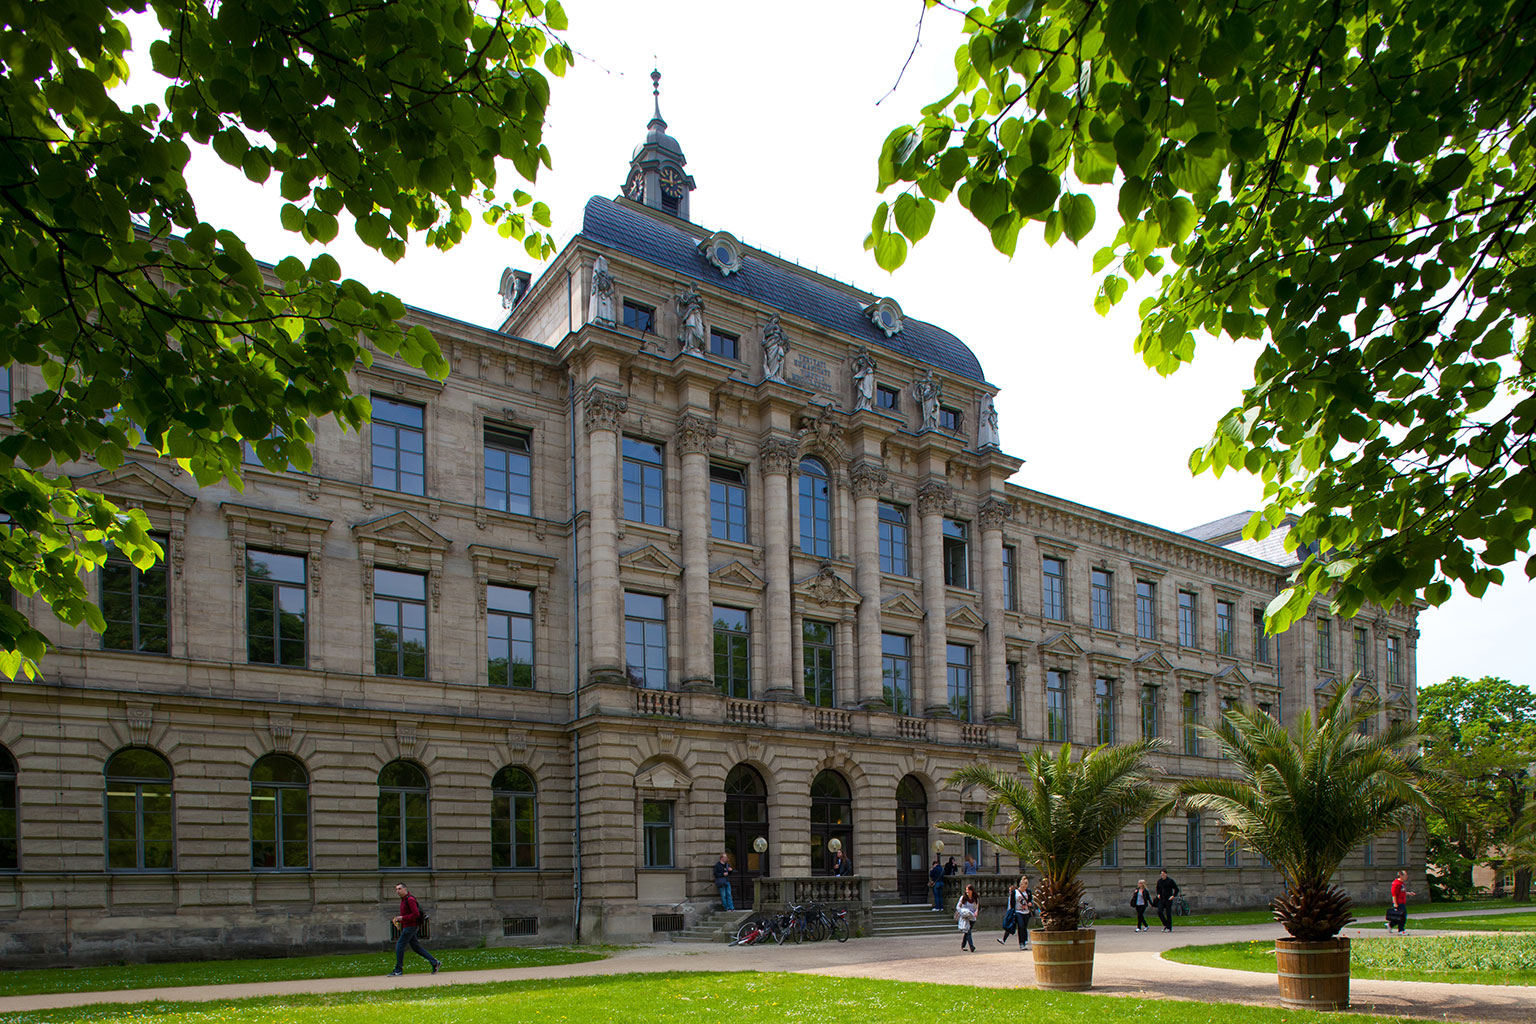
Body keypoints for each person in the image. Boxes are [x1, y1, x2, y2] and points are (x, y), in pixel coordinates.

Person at [388, 882, 440, 976]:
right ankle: (434, 962)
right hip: (408, 926)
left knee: (400, 946)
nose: (398, 891)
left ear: (405, 889)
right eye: (396, 889)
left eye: (399, 889)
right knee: (416, 947)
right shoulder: (404, 900)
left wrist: (403, 918)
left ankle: (398, 970)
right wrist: (401, 920)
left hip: (410, 926)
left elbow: (415, 914)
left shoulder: (410, 899)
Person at [997, 875, 1030, 948]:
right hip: (1018, 912)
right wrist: (1011, 912)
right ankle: (1021, 943)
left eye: (1026, 885)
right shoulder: (1015, 892)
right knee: (1020, 926)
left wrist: (1030, 903)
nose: (1025, 887)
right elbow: (1012, 903)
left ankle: (1025, 940)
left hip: (1026, 912)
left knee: (1024, 927)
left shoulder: (1028, 892)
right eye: (1024, 885)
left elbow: (1030, 900)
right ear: (1021, 885)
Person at [1389, 869, 1417, 933]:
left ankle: (1390, 925)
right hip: (1399, 902)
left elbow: (1402, 892)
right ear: (1401, 876)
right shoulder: (1396, 883)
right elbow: (1394, 894)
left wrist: (1409, 893)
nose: (1407, 876)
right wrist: (1395, 903)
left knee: (1400, 916)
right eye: (1405, 875)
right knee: (1403, 916)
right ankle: (1401, 930)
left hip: (1402, 902)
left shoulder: (1402, 883)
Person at [956, 883, 979, 952]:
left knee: (967, 932)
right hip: (965, 917)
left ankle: (963, 945)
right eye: (966, 890)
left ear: (972, 891)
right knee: (968, 931)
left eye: (968, 890)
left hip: (972, 917)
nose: (967, 891)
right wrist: (962, 912)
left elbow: (977, 908)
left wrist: (976, 912)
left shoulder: (975, 899)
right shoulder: (963, 898)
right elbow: (958, 907)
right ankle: (971, 946)